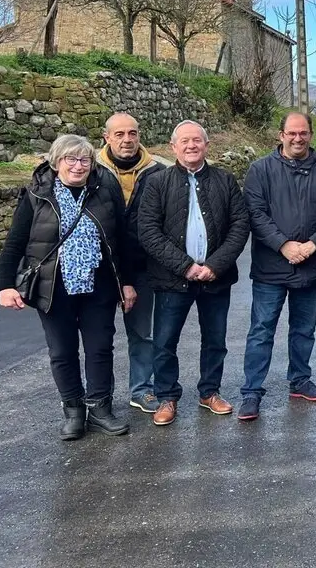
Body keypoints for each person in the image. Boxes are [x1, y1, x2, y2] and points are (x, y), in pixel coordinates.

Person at [0, 135, 135, 440]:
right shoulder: (37, 195)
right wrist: (5, 286)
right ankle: (74, 412)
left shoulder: (103, 192)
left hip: (98, 286)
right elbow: (15, 243)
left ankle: (100, 409)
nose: (78, 166)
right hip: (53, 288)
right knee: (62, 351)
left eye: (84, 160)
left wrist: (127, 283)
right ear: (56, 162)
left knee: (100, 348)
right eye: (70, 159)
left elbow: (122, 240)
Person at [138, 120, 250, 427]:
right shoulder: (157, 183)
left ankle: (209, 392)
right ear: (173, 147)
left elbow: (240, 225)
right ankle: (166, 396)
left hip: (216, 277)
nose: (191, 146)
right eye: (184, 141)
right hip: (172, 278)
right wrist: (185, 266)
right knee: (165, 341)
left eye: (197, 140)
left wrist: (215, 265)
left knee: (215, 339)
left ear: (207, 145)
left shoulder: (225, 180)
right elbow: (148, 231)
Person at [237, 113, 316, 421]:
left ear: (311, 134)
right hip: (271, 265)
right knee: (261, 330)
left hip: (313, 263)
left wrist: (312, 245)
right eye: (292, 133)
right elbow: (255, 213)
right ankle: (251, 392)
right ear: (281, 135)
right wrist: (283, 245)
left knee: (304, 328)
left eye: (303, 133)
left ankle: (300, 380)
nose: (298, 138)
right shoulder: (260, 170)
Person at [97, 112, 165, 414]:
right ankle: (100, 396)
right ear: (106, 137)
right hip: (99, 269)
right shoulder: (91, 171)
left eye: (132, 133)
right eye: (120, 134)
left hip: (141, 267)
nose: (127, 139)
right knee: (99, 337)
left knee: (142, 334)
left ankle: (142, 389)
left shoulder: (158, 172)